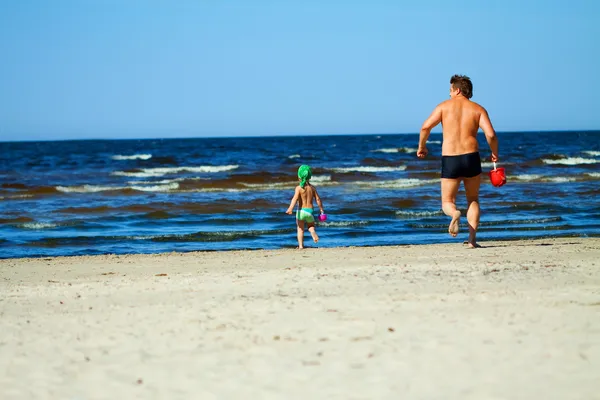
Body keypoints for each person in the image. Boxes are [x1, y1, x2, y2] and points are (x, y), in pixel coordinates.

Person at [417, 74, 499, 248]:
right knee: (473, 199)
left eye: (450, 90)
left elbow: (425, 127)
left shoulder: (443, 107)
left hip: (450, 159)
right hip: (471, 157)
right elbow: (490, 134)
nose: (449, 94)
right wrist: (494, 153)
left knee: (447, 201)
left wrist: (422, 146)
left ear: (457, 90)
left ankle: (454, 213)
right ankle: (472, 240)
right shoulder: (478, 109)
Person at [285, 165, 325, 249]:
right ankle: (313, 232)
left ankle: (300, 246)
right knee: (311, 226)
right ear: (309, 177)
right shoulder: (312, 188)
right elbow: (318, 199)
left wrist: (290, 208)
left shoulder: (298, 188)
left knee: (300, 229)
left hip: (300, 212)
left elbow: (294, 199)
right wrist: (321, 210)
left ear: (299, 177)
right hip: (310, 211)